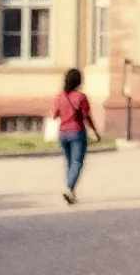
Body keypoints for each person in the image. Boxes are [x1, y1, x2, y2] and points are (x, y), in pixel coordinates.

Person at [51, 68, 102, 205]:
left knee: (69, 163)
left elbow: (55, 115)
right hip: (77, 132)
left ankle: (71, 192)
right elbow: (86, 116)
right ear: (79, 81)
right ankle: (69, 189)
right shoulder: (81, 97)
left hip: (63, 133)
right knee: (77, 162)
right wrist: (95, 132)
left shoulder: (60, 96)